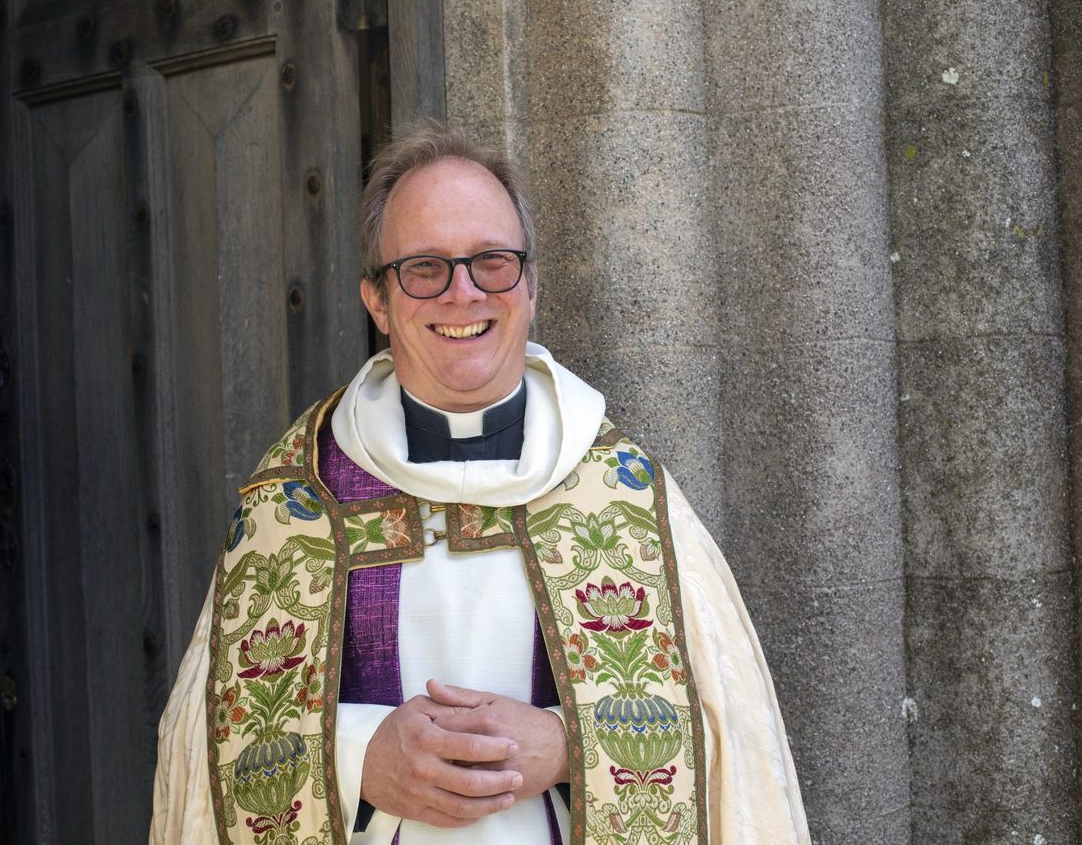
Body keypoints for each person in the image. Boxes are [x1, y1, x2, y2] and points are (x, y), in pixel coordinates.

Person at [151, 122, 810, 844]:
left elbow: (732, 734)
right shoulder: (298, 501)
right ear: (377, 298)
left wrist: (568, 747)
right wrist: (357, 757)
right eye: (425, 268)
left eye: (491, 262)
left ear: (529, 284)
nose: (462, 294)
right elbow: (210, 736)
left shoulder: (623, 494)